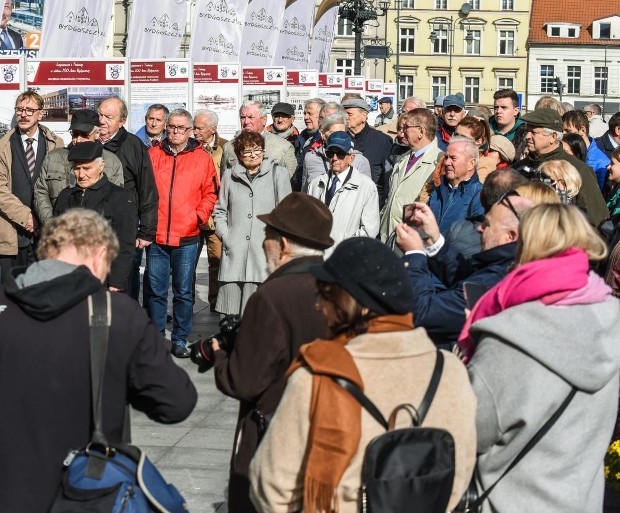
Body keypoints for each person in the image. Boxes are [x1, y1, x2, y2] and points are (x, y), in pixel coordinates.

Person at [0, 208, 196, 513]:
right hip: (85, 497)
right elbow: (176, 402)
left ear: (46, 253)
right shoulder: (119, 315)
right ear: (100, 254)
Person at [249, 237, 476, 513]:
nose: (319, 305)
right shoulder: (450, 370)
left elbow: (272, 488)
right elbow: (461, 471)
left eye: (326, 294)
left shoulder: (316, 376)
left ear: (360, 306)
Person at [461, 203, 619, 513]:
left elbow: (467, 430)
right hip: (580, 501)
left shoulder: (509, 335)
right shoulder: (610, 318)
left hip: (508, 500)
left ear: (525, 246)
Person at [212, 193, 332, 513]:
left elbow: (244, 381)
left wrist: (221, 355)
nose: (264, 242)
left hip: (274, 434)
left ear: (284, 245)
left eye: (268, 235)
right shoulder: (340, 287)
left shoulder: (272, 296)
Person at [395, 194, 534, 347]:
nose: (479, 228)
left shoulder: (494, 281)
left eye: (487, 224)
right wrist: (432, 239)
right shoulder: (506, 263)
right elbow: (466, 276)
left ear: (510, 236)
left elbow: (423, 314)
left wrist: (414, 254)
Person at [145, 109, 217, 358]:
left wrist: (198, 216)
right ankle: (155, 340)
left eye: (180, 128)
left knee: (184, 291)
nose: (175, 132)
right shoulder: (153, 155)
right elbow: (143, 191)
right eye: (172, 127)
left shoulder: (202, 159)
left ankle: (179, 338)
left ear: (190, 131)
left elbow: (211, 192)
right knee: (155, 290)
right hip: (157, 236)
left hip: (187, 236)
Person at [0, 91, 65, 280]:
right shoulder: (1, 148)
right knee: (12, 296)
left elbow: (62, 187)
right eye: (20, 109)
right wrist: (26, 218)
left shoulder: (56, 144)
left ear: (40, 114)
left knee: (44, 293)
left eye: (30, 110)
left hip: (46, 236)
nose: (24, 114)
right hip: (12, 234)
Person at [214, 131, 291, 317]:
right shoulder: (230, 176)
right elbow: (220, 211)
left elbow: (287, 213)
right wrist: (226, 235)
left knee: (259, 314)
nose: (254, 154)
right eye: (247, 152)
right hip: (235, 254)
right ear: (239, 154)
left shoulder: (278, 173)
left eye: (258, 150)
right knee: (230, 316)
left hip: (263, 255)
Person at [53, 141, 136, 292]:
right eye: (77, 169)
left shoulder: (121, 197)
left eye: (87, 168)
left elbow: (125, 245)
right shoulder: (65, 196)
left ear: (101, 166)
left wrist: (116, 282)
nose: (81, 174)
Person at [97, 96, 159, 299]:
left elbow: (147, 189)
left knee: (125, 277)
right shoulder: (87, 140)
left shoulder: (134, 146)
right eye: (100, 115)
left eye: (109, 117)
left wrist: (146, 231)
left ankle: (126, 322)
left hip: (124, 227)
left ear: (122, 121)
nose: (102, 121)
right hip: (93, 227)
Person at [514, 108, 608, 227]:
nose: (527, 136)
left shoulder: (578, 170)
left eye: (534, 132)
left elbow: (596, 219)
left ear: (553, 137)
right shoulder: (518, 169)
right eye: (527, 131)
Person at [34, 109, 124, 223]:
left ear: (97, 134)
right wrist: (52, 223)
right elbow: (41, 191)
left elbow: (115, 199)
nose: (79, 140)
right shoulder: (53, 157)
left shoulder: (112, 162)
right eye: (75, 134)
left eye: (84, 135)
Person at [307, 131, 379, 253]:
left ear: (351, 158)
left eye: (340, 154)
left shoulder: (366, 187)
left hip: (346, 258)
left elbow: (368, 231)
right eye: (330, 153)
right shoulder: (315, 184)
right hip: (316, 257)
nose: (334, 158)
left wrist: (346, 251)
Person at [379, 108, 442, 241]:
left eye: (407, 127)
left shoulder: (439, 161)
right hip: (388, 238)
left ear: (421, 131)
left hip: (413, 241)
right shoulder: (402, 159)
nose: (402, 132)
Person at [193, 109, 227, 311]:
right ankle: (187, 300)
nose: (195, 132)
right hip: (194, 214)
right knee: (188, 263)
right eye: (194, 127)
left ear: (213, 129)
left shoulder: (226, 147)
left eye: (200, 128)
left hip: (216, 214)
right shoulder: (190, 147)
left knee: (217, 261)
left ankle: (215, 300)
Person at [221, 100, 297, 176]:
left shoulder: (284, 147)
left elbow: (289, 182)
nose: (246, 122)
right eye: (243, 117)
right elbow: (224, 181)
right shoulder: (229, 147)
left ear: (264, 120)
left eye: (251, 117)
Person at [427, 136, 485, 234]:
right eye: (446, 157)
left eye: (453, 158)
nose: (446, 162)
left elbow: (475, 240)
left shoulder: (481, 196)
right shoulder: (438, 190)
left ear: (471, 163)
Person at [342, 98, 393, 198]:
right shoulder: (341, 139)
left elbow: (387, 178)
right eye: (344, 114)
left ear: (364, 116)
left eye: (349, 114)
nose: (346, 118)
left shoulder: (382, 141)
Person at [562, 110, 611, 189]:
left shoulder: (601, 163)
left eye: (568, 131)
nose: (564, 134)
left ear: (583, 130)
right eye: (562, 131)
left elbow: (599, 194)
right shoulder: (565, 153)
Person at [454, 115, 495, 182]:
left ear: (479, 141)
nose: (457, 140)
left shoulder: (485, 164)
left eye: (464, 138)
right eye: (456, 135)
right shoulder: (446, 156)